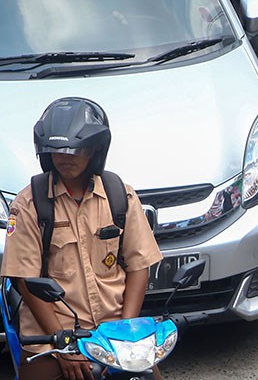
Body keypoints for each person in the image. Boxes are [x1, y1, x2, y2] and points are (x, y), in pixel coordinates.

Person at [1, 97, 163, 380]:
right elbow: (24, 280)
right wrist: (62, 344)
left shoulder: (119, 196)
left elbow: (139, 266)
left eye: (76, 150)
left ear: (97, 150)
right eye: (57, 150)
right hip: (51, 335)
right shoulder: (29, 204)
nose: (66, 157)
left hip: (112, 332)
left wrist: (125, 334)